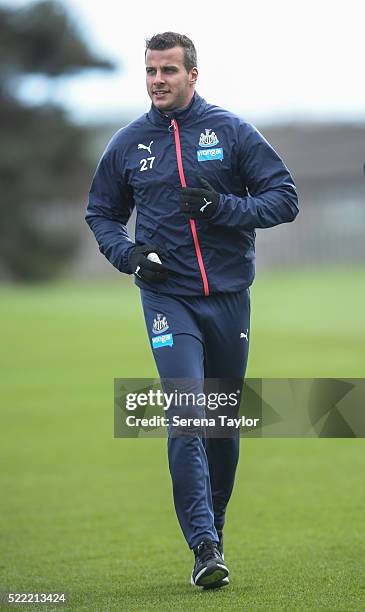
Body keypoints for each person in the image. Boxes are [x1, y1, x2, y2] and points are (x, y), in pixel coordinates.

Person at [86, 31, 299, 589]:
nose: (158, 80)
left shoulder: (230, 132)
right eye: (151, 71)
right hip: (167, 299)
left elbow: (284, 198)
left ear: (193, 75)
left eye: (169, 71)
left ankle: (215, 533)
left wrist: (221, 207)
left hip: (229, 300)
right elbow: (101, 214)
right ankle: (202, 545)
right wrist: (128, 256)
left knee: (222, 429)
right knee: (188, 418)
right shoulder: (129, 143)